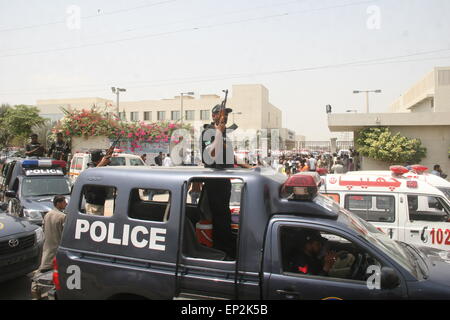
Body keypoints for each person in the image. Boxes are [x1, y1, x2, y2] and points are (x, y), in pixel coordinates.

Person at [200, 104, 252, 259]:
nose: (226, 117)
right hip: (214, 181)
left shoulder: (222, 134)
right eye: (222, 115)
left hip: (224, 181)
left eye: (227, 115)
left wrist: (250, 167)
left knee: (225, 217)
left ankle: (227, 248)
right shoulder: (209, 132)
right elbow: (212, 154)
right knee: (220, 219)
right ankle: (221, 252)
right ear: (214, 116)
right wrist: (218, 132)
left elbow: (231, 156)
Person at [38, 195, 67, 272]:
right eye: (64, 202)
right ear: (58, 203)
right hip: (57, 247)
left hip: (48, 245)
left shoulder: (47, 214)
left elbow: (43, 228)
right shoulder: (63, 216)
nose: (66, 204)